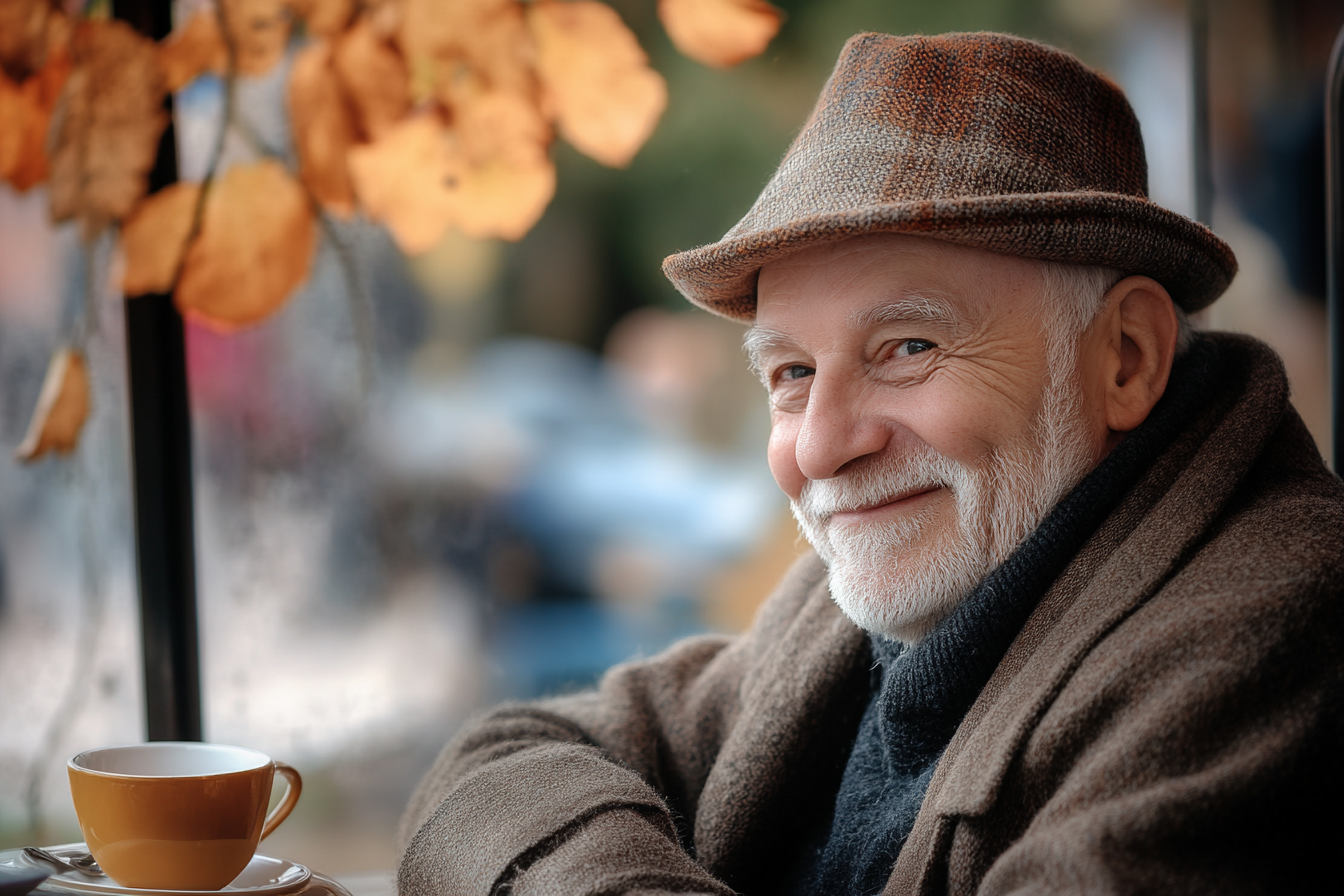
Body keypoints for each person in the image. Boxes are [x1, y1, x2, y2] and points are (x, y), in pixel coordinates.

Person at [396, 32, 1344, 895]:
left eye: (908, 348)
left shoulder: (1277, 624)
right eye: (793, 373)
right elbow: (499, 760)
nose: (819, 447)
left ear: (1127, 357)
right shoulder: (881, 598)